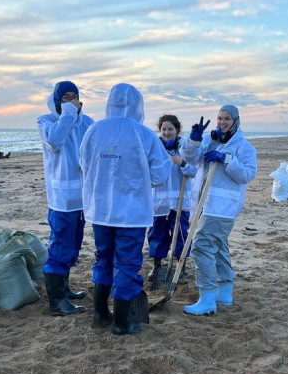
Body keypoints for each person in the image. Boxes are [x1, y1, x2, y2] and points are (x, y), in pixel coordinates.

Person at [80, 83, 171, 335]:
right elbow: (160, 174)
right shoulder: (143, 134)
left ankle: (100, 314)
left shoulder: (94, 130)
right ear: (138, 106)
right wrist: (137, 177)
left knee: (103, 258)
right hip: (132, 212)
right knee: (127, 263)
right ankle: (122, 322)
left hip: (100, 210)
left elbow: (83, 163)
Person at [180, 105, 257, 316]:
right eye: (219, 118)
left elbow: (247, 175)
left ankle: (207, 298)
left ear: (235, 121)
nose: (222, 123)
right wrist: (194, 140)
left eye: (227, 119)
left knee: (201, 247)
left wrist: (227, 160)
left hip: (222, 206)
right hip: (203, 203)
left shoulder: (243, 147)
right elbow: (190, 158)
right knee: (218, 245)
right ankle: (224, 292)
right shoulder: (209, 140)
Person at [36, 80, 94, 316]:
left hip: (83, 197)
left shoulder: (87, 122)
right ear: (57, 100)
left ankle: (65, 288)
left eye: (74, 97)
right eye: (65, 98)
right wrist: (69, 112)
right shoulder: (47, 121)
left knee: (74, 243)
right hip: (61, 199)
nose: (71, 102)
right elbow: (55, 140)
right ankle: (56, 301)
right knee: (60, 245)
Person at [148, 114, 197, 290]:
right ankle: (157, 264)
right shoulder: (155, 147)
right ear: (159, 130)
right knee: (157, 233)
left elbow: (194, 171)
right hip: (159, 201)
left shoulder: (185, 148)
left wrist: (182, 163)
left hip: (180, 200)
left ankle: (180, 265)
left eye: (170, 129)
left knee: (180, 233)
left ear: (177, 130)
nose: (167, 132)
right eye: (164, 129)